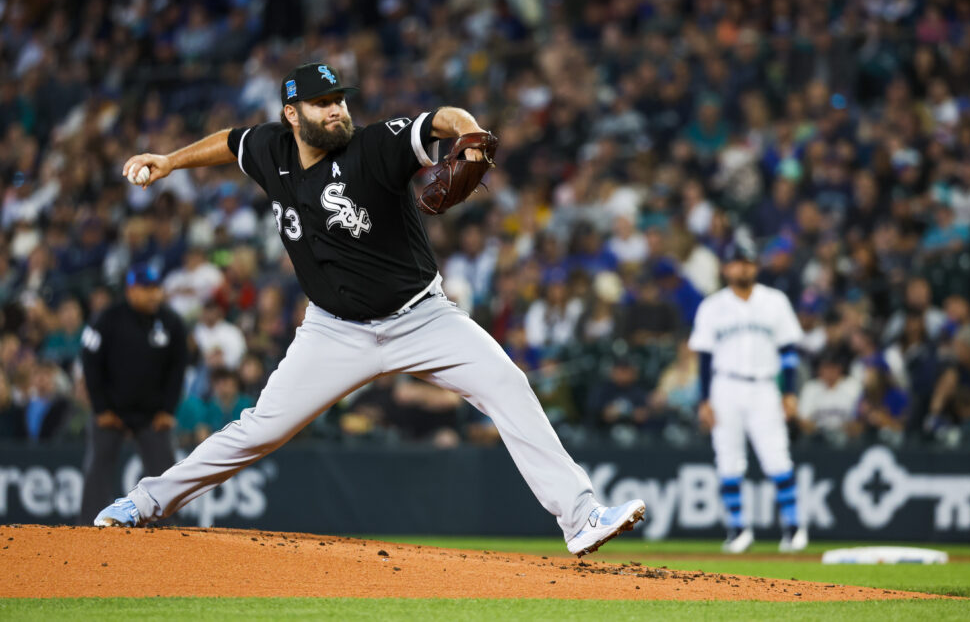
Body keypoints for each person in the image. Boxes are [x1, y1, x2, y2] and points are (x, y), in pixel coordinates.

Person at [95, 62, 645, 557]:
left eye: (341, 99)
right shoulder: (270, 149)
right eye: (323, 102)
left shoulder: (373, 145)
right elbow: (230, 141)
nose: (338, 109)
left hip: (422, 318)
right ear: (292, 114)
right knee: (258, 430)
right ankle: (142, 504)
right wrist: (169, 161)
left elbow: (440, 120)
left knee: (507, 384)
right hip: (334, 332)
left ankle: (581, 517)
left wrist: (472, 134)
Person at [688, 240, 808, 553]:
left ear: (756, 266)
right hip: (724, 386)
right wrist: (704, 400)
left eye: (748, 262)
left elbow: (789, 352)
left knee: (777, 457)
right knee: (728, 460)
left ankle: (794, 528)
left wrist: (790, 392)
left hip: (765, 386)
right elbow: (703, 358)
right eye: (737, 262)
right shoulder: (712, 306)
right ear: (726, 268)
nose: (743, 267)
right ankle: (738, 530)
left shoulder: (775, 301)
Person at [80, 262, 188, 524]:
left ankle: (174, 533)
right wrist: (100, 409)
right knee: (97, 471)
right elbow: (90, 362)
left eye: (156, 288)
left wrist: (167, 410)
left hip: (152, 415)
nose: (154, 294)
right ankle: (85, 528)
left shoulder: (171, 322)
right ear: (130, 290)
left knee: (167, 474)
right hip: (112, 412)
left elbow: (178, 368)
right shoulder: (107, 319)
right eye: (146, 288)